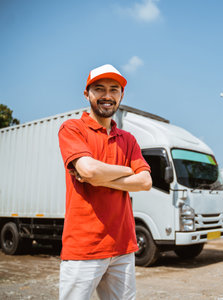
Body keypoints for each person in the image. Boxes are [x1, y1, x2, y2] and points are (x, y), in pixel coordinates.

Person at [57, 64, 152, 300]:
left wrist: (100, 178)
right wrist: (126, 170)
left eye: (114, 90)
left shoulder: (128, 139)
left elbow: (145, 182)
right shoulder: (72, 129)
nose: (107, 96)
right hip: (84, 247)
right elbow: (88, 170)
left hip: (122, 246)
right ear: (87, 94)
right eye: (99, 89)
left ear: (121, 95)